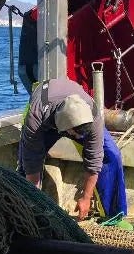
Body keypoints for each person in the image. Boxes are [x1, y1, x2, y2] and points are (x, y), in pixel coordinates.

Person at [18, 78, 127, 220]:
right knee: (24, 165)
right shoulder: (36, 115)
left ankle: (113, 215)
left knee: (111, 154)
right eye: (76, 134)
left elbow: (94, 159)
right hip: (45, 118)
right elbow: (32, 160)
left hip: (79, 119)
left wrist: (86, 198)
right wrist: (32, 200)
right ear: (65, 128)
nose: (78, 137)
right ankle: (22, 210)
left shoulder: (93, 117)